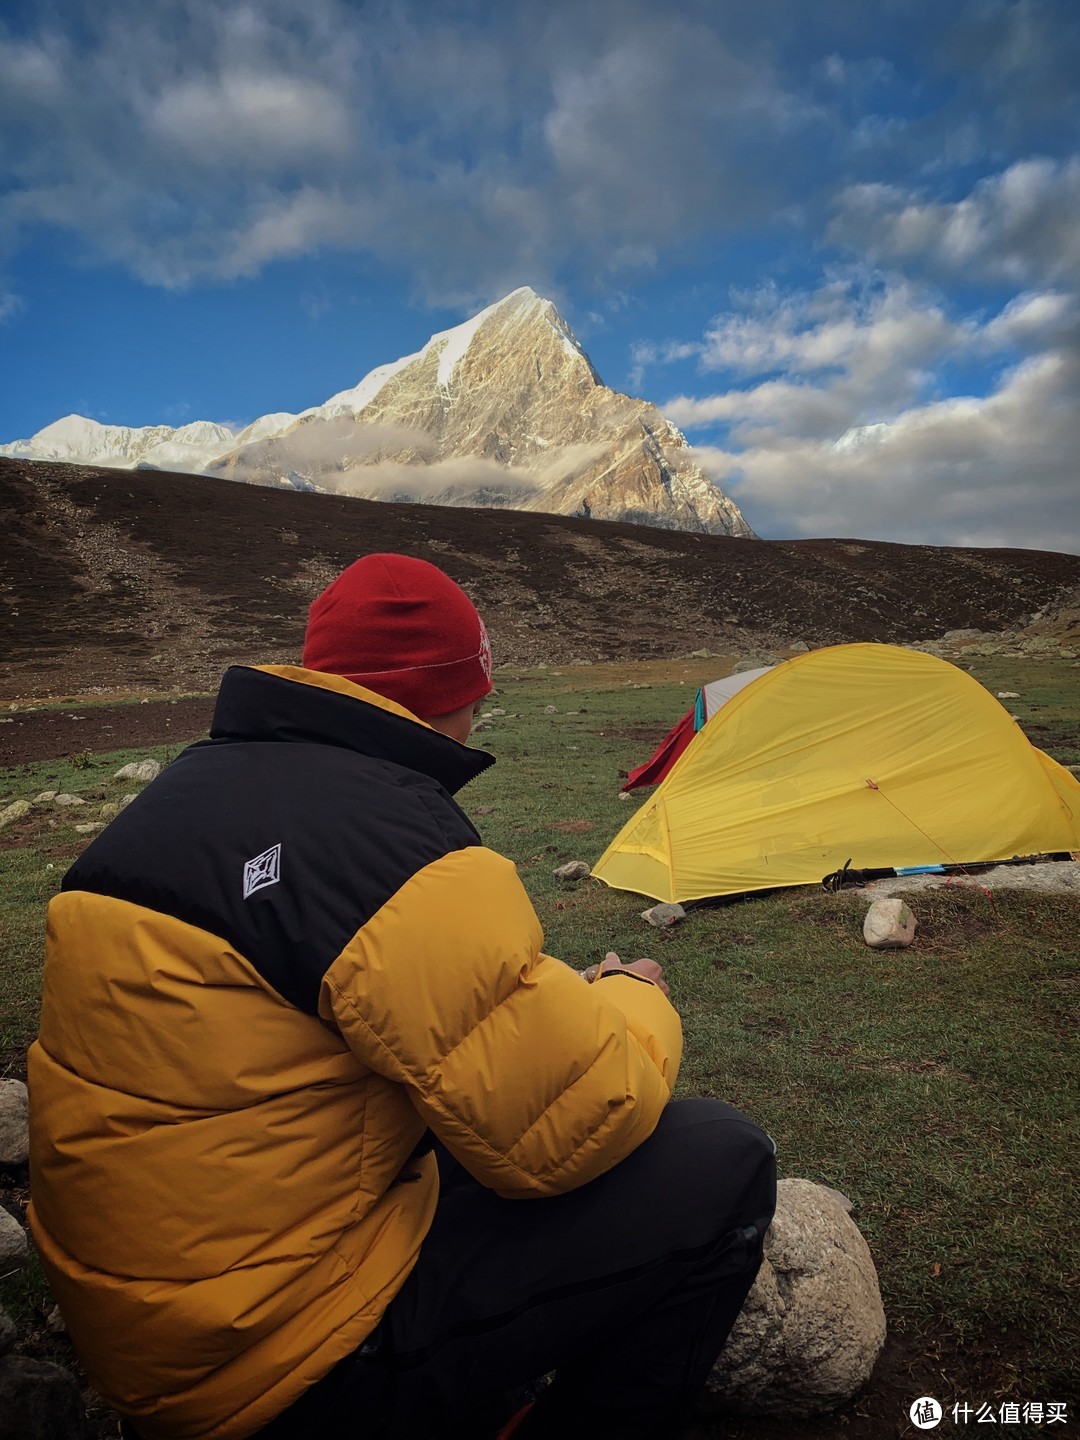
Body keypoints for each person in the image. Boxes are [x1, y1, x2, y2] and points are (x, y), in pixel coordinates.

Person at [28, 553, 776, 1440]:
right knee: (720, 1157)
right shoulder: (388, 842)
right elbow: (580, 1120)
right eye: (477, 698)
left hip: (152, 1323)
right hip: (274, 1372)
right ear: (455, 695)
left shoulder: (181, 794)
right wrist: (629, 991)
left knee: (467, 1112)